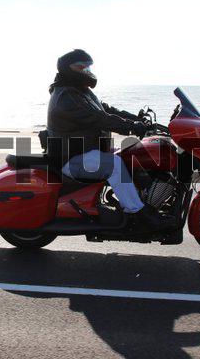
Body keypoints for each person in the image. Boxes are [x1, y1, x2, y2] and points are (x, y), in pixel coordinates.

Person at [46, 49, 175, 232]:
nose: (87, 71)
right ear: (69, 69)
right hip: (71, 159)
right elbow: (100, 119)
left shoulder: (79, 92)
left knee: (131, 154)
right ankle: (138, 213)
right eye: (82, 68)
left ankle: (140, 198)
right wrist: (133, 127)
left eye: (88, 67)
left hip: (86, 152)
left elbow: (108, 110)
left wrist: (138, 120)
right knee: (114, 164)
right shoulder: (66, 97)